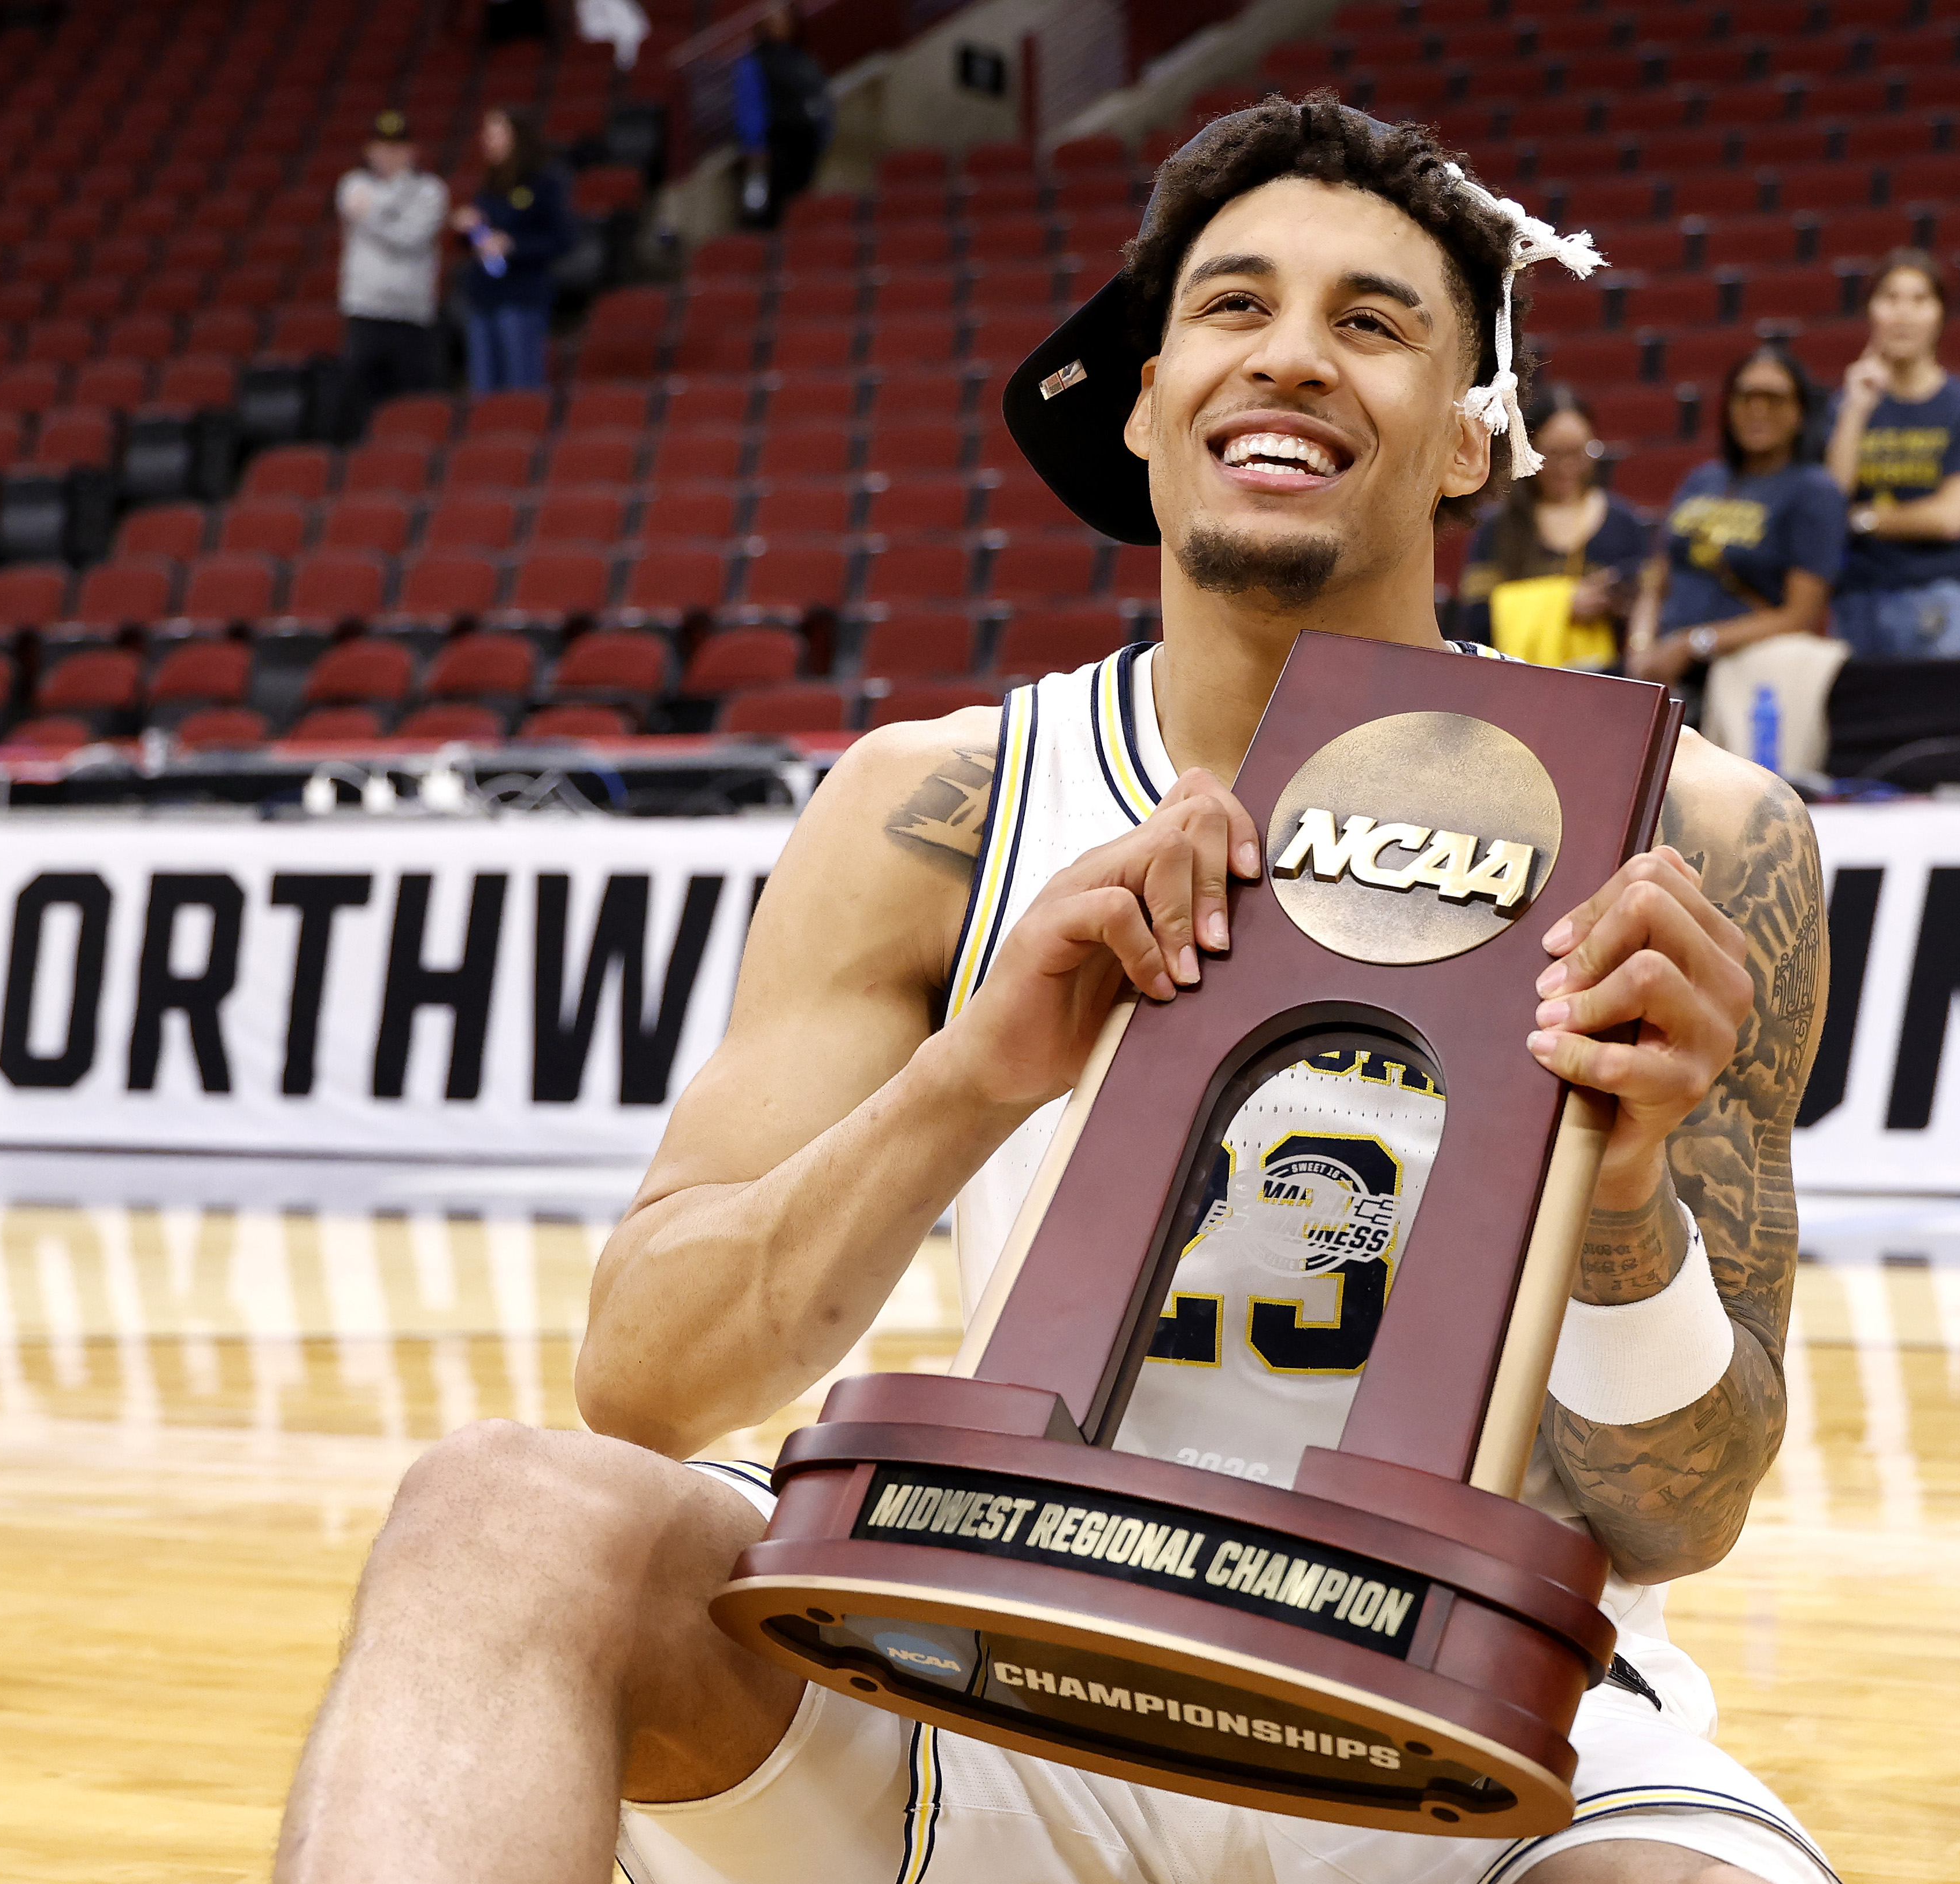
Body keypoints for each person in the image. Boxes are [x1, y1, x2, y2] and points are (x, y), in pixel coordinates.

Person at [274, 97, 1837, 1884]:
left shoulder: (1693, 830)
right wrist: (971, 1078)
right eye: (1233, 307)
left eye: (1374, 320)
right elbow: (642, 1374)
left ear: (1473, 435)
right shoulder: (933, 807)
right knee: (506, 1513)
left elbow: (1682, 1506)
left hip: (1453, 1715)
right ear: (1150, 395)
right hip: (975, 1670)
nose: (1294, 360)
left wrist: (1622, 1201)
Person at [1626, 345, 1843, 760]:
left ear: (1800, 412)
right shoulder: (1701, 479)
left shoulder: (1814, 492)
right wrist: (1640, 648)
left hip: (1739, 677)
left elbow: (1800, 615)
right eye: (1746, 397)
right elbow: (1658, 578)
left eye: (1773, 398)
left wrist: (1694, 643)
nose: (1757, 410)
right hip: (1661, 671)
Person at [1821, 248, 1960, 659]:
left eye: (1919, 300)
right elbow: (1832, 500)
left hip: (1940, 599)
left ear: (1940, 314)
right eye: (1890, 298)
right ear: (1870, 311)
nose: (1903, 314)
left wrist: (1864, 519)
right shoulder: (1842, 407)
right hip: (1856, 599)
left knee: (1953, 722)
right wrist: (1856, 409)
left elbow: (1950, 518)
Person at [1453, 385, 1647, 668]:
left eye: (1581, 453)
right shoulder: (1500, 527)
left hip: (1608, 677)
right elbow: (1477, 616)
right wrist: (1564, 605)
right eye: (1555, 454)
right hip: (1518, 679)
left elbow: (1646, 605)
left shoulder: (1623, 523)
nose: (1569, 467)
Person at [334, 110, 449, 441]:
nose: (389, 156)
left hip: (411, 316)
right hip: (365, 311)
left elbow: (411, 238)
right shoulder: (353, 183)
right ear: (369, 151)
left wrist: (370, 216)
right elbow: (389, 223)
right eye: (382, 147)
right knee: (358, 405)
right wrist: (391, 217)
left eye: (397, 148)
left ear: (412, 151)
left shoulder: (430, 190)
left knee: (413, 407)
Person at [449, 107, 579, 393]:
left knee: (521, 385)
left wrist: (514, 245)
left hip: (522, 296)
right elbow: (479, 239)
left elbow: (562, 239)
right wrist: (469, 227)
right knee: (483, 388)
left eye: (496, 133)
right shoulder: (489, 183)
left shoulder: (545, 182)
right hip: (483, 297)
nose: (487, 140)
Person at [733, 3, 833, 228]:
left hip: (805, 145)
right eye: (773, 21)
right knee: (766, 212)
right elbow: (750, 104)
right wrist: (755, 143)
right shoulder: (756, 61)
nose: (779, 26)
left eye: (783, 20)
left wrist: (823, 134)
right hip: (774, 146)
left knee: (800, 208)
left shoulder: (803, 60)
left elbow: (821, 99)